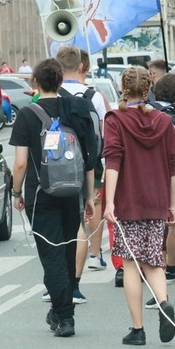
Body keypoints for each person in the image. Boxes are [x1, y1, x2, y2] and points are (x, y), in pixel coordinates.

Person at [10, 58, 97, 337]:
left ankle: (65, 316)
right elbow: (88, 158)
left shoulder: (27, 114)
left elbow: (21, 163)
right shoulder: (74, 109)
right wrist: (88, 196)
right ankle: (61, 309)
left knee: (52, 256)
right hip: (72, 192)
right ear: (60, 81)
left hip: (41, 194)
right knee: (68, 252)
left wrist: (16, 191)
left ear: (35, 82)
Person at [102, 66, 175, 346]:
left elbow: (113, 160)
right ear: (148, 89)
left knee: (131, 265)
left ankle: (138, 329)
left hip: (128, 201)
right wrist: (170, 204)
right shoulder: (163, 121)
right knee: (154, 260)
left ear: (124, 88)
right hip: (157, 198)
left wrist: (109, 201)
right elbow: (173, 167)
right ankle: (162, 302)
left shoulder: (115, 119)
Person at [55, 46, 108, 305]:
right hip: (88, 162)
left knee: (57, 223)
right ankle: (77, 281)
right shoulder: (94, 95)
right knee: (84, 219)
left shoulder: (52, 93)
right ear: (81, 66)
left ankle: (55, 281)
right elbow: (102, 132)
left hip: (56, 165)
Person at [148, 73, 175, 295]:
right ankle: (171, 266)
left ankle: (154, 265)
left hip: (147, 179)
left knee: (153, 224)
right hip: (172, 177)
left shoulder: (145, 114)